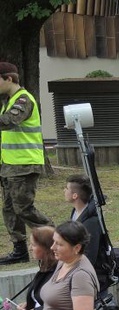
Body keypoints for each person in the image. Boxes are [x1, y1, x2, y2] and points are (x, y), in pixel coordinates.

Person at [0, 61, 53, 265]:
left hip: (24, 165)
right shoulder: (9, 100)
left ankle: (57, 239)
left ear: (9, 79)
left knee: (24, 209)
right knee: (10, 209)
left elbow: (9, 122)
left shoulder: (23, 100)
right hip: (10, 165)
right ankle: (20, 250)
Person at [64, 174, 115, 310]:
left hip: (95, 277)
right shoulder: (75, 213)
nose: (64, 191)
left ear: (75, 195)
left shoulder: (91, 221)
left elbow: (90, 254)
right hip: (81, 274)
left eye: (66, 189)